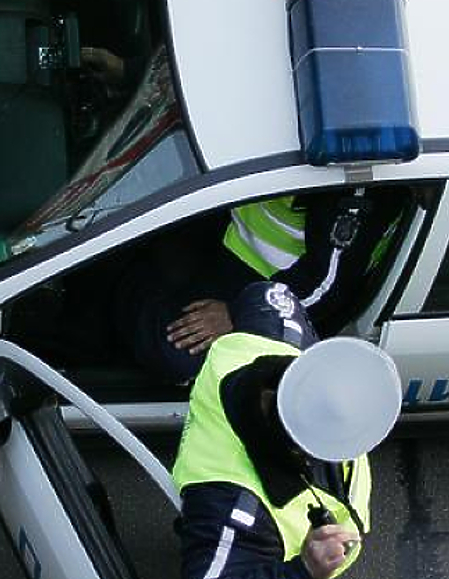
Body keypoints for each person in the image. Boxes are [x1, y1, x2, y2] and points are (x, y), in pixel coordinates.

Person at [173, 281, 401, 579]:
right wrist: (303, 569)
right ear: (301, 448)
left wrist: (226, 312)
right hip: (267, 553)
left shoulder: (268, 340)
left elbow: (268, 292)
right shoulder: (232, 504)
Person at [114, 187, 408, 383]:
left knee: (174, 352)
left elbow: (325, 284)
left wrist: (239, 313)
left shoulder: (355, 181)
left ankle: (116, 289)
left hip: (272, 286)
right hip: (228, 231)